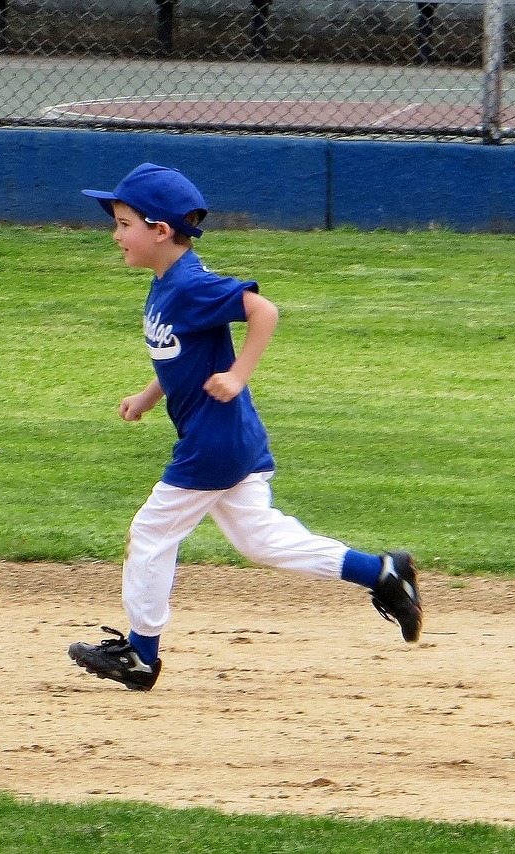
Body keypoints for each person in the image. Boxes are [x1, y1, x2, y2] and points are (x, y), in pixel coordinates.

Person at [67, 162, 422, 692]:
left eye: (123, 223)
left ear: (160, 231)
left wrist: (238, 374)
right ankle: (381, 572)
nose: (115, 236)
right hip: (230, 439)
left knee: (150, 534)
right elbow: (178, 356)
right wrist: (147, 396)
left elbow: (264, 310)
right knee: (260, 540)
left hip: (212, 443)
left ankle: (140, 655)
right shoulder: (165, 284)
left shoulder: (190, 284)